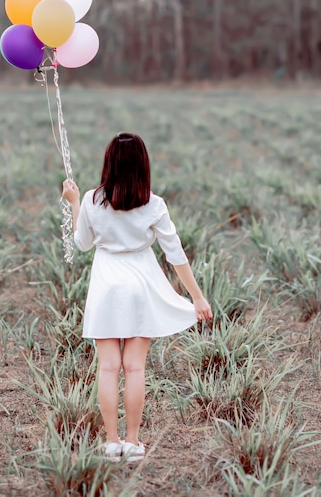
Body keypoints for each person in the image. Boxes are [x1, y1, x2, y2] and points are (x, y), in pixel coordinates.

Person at [62, 132, 212, 463]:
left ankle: (111, 442)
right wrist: (197, 297)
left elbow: (83, 244)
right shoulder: (153, 204)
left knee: (108, 368)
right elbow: (176, 254)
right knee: (134, 368)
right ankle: (132, 441)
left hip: (106, 286)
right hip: (141, 286)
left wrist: (74, 203)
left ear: (108, 163)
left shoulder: (91, 199)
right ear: (143, 165)